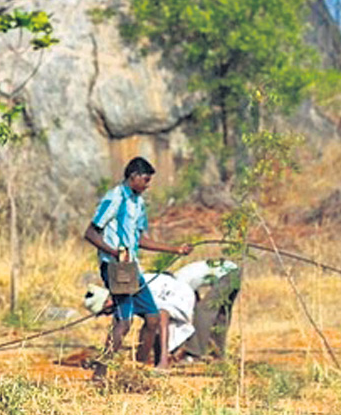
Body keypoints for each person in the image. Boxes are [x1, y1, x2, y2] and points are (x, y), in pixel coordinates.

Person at [82, 157, 191, 372]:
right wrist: (114, 253)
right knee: (124, 322)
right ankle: (100, 373)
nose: (147, 185)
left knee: (152, 318)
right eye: (145, 180)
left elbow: (141, 239)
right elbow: (90, 232)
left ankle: (138, 369)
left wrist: (175, 249)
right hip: (115, 267)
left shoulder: (138, 203)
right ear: (133, 177)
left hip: (132, 267)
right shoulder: (115, 198)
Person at [83, 258, 240, 365]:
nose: (107, 315)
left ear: (107, 302)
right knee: (220, 316)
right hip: (234, 271)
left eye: (105, 312)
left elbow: (164, 314)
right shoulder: (170, 283)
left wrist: (164, 358)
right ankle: (217, 354)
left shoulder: (176, 281)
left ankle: (194, 354)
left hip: (227, 273)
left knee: (203, 311)